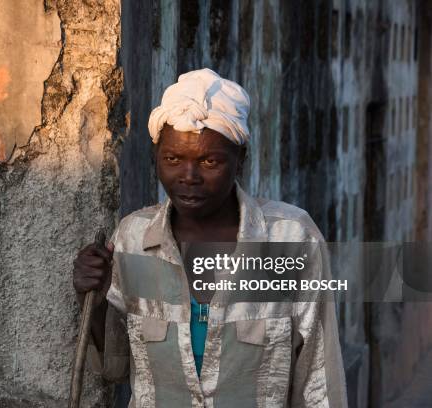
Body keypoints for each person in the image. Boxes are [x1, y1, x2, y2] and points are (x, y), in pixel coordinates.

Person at [72, 68, 348, 407]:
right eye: (173, 159)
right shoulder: (132, 238)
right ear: (157, 158)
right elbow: (114, 366)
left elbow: (319, 379)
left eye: (210, 160)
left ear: (240, 159)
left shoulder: (291, 238)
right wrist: (94, 301)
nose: (189, 176)